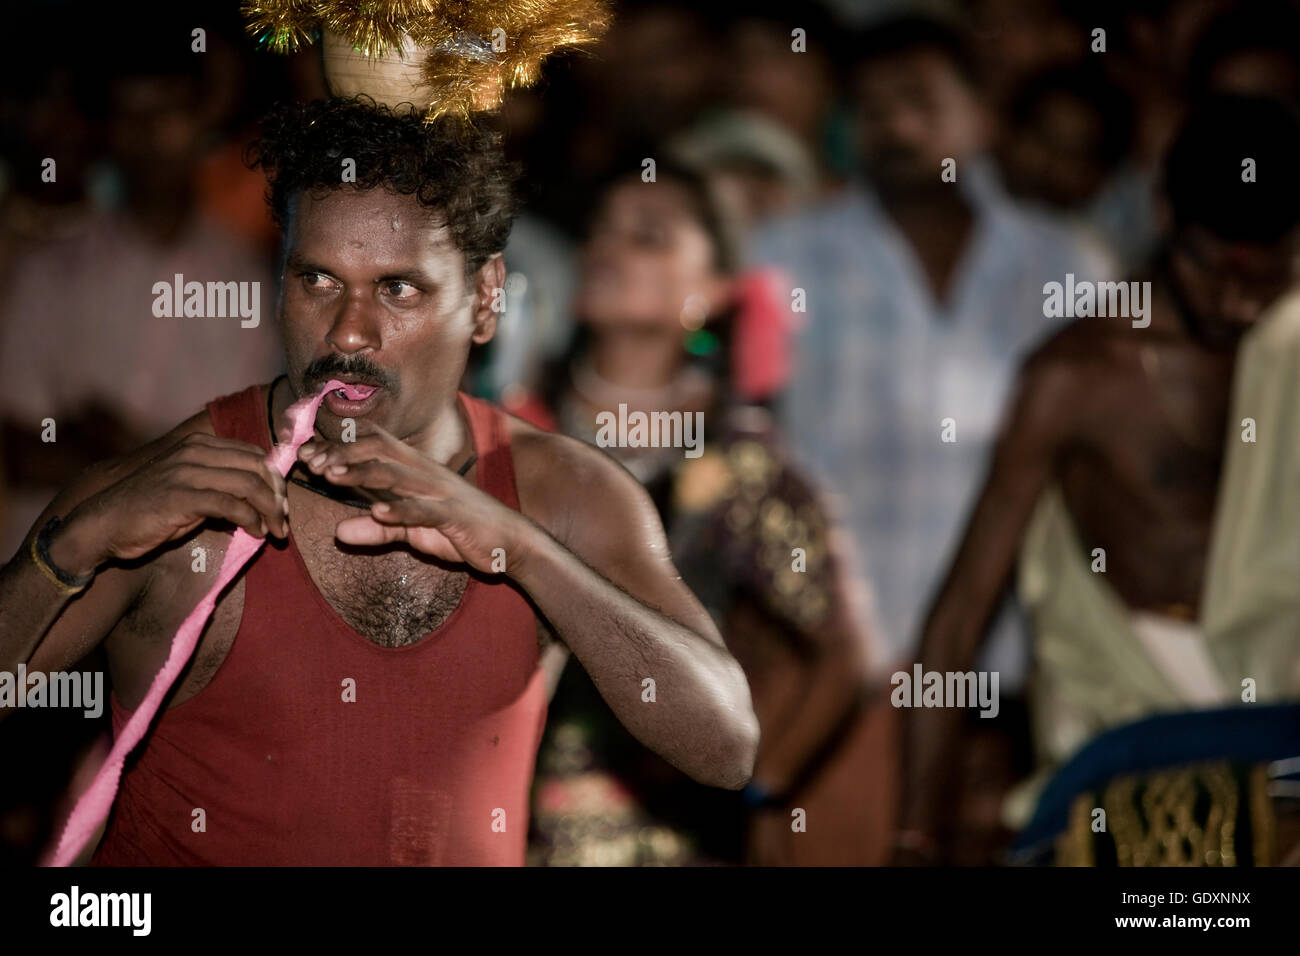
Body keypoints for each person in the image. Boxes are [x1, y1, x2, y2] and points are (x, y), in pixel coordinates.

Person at [0, 98, 758, 865]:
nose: (348, 332)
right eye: (319, 281)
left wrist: (523, 549)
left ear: (487, 298)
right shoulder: (167, 496)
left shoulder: (564, 494)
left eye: (399, 289)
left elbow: (726, 749)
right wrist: (71, 548)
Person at [899, 95, 1300, 863]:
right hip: (1136, 746)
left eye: (1266, 276)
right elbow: (958, 617)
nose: (1237, 302)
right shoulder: (1078, 378)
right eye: (1213, 268)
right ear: (1161, 214)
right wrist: (914, 837)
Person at [520, 159, 892, 865]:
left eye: (648, 236)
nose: (608, 248)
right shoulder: (518, 422)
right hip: (509, 828)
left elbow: (846, 654)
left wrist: (757, 787)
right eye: (601, 230)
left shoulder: (732, 453)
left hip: (670, 839)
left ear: (713, 291)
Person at [752, 13, 1116, 677]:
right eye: (871, 108)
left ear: (983, 115)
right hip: (832, 668)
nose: (895, 127)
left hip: (1017, 663)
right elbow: (749, 447)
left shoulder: (1068, 266)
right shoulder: (785, 255)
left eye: (920, 100)